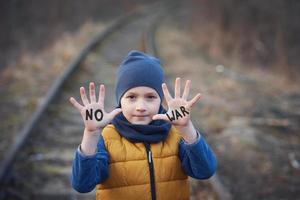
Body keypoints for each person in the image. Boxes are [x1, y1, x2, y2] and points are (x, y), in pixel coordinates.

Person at [69, 50, 217, 200]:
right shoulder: (107, 137)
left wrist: (186, 129)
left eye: (150, 97)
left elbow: (205, 171)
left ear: (161, 100)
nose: (141, 106)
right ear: (120, 100)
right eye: (131, 97)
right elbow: (82, 185)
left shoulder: (176, 133)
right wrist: (91, 134)